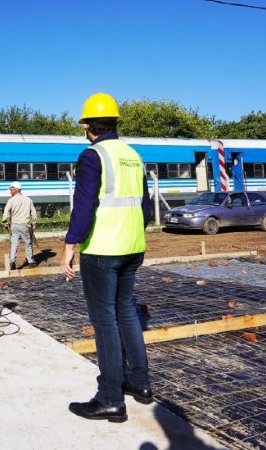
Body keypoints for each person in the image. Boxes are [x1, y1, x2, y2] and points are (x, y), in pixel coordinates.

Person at [61, 93, 153, 423]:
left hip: (102, 249)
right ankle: (140, 384)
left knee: (104, 321)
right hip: (132, 246)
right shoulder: (132, 155)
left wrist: (71, 243)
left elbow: (84, 206)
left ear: (87, 125)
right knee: (126, 311)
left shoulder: (92, 156)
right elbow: (144, 207)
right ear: (114, 122)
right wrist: (133, 235)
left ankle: (110, 398)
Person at [1, 181, 37, 270]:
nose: (10, 191)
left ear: (15, 190)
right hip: (25, 225)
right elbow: (34, 213)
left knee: (14, 244)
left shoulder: (11, 200)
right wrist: (34, 223)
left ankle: (12, 262)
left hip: (14, 226)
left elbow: (6, 213)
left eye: (11, 190)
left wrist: (5, 223)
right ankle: (30, 262)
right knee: (28, 243)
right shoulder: (28, 200)